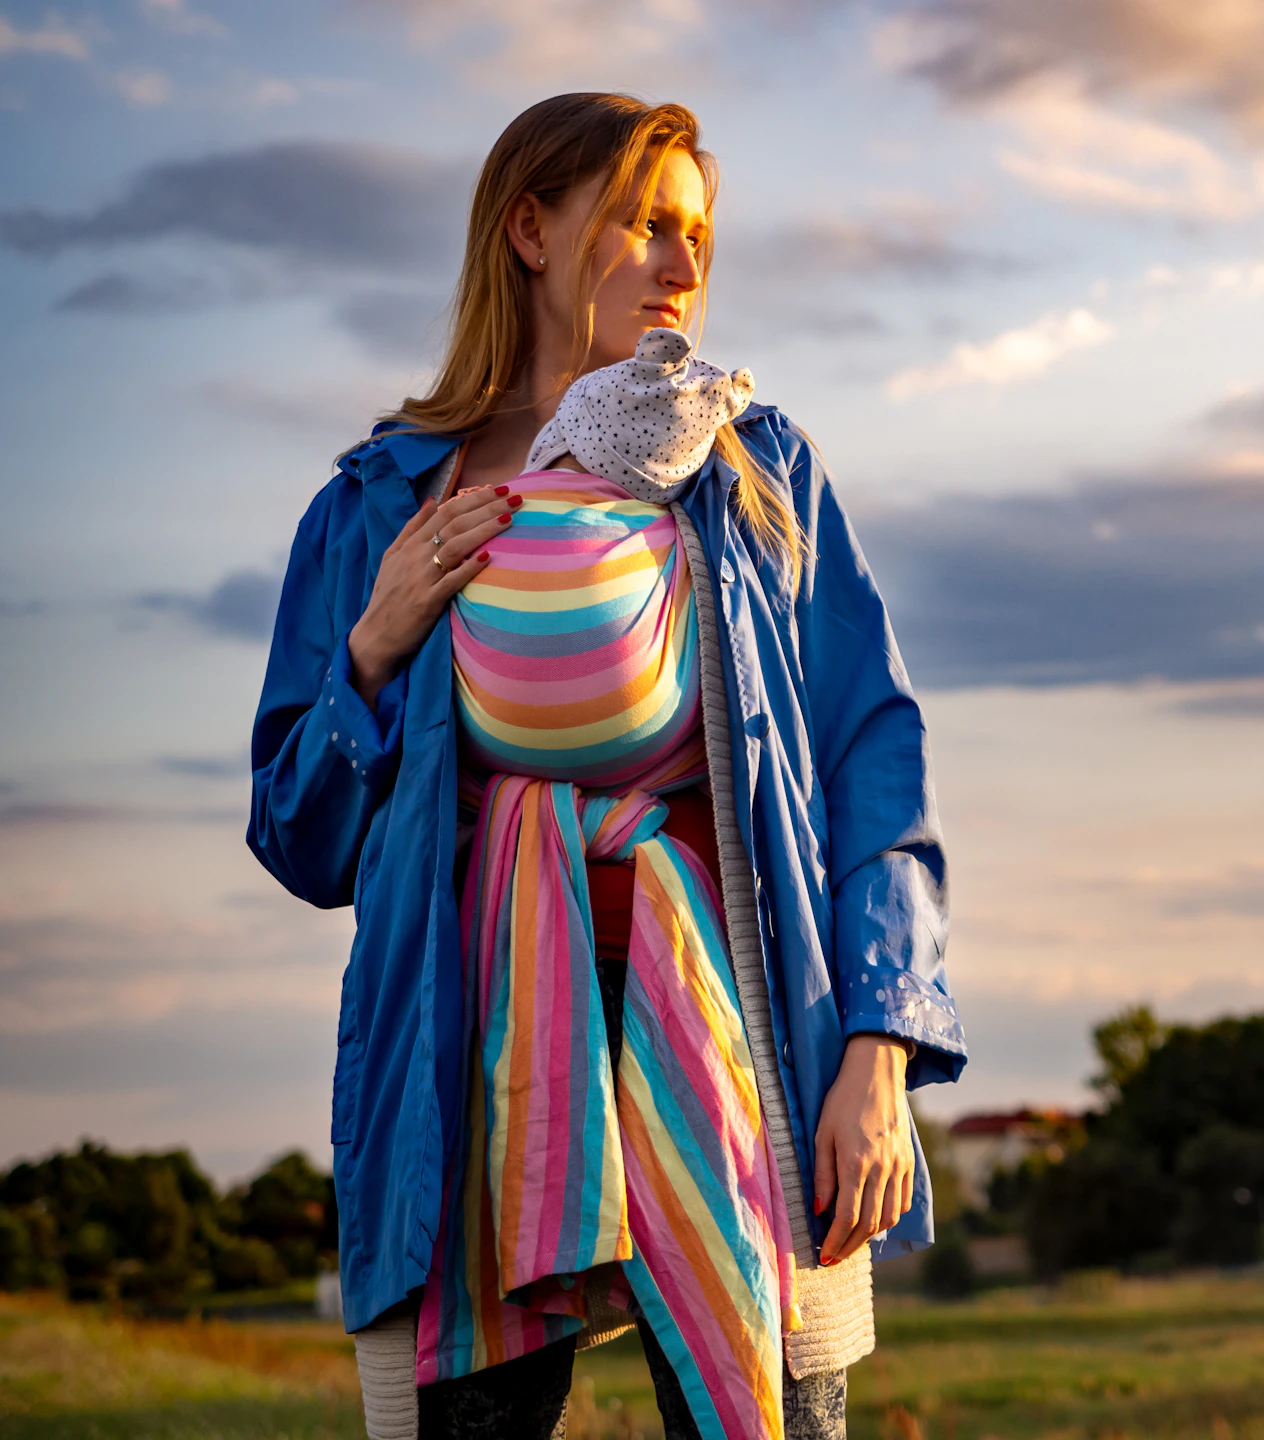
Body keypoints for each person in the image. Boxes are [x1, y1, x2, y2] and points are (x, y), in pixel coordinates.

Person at [246, 92, 966, 1440]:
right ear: (530, 228)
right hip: (477, 1077)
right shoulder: (378, 504)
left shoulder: (755, 469)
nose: (685, 265)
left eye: (698, 233)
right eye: (646, 225)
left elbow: (874, 753)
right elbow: (300, 837)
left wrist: (880, 1045)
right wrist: (377, 642)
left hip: (748, 1046)